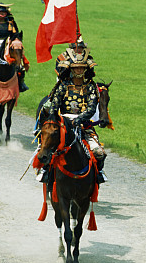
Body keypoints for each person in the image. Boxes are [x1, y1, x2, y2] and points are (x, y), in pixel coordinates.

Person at [37, 46, 107, 184]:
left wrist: (79, 120)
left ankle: (98, 174)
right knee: (46, 147)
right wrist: (55, 119)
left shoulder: (91, 87)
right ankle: (45, 171)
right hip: (63, 123)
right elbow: (55, 105)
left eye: (81, 67)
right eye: (76, 68)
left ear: (86, 69)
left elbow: (92, 108)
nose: (79, 70)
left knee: (99, 153)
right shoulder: (63, 85)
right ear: (71, 69)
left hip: (83, 124)